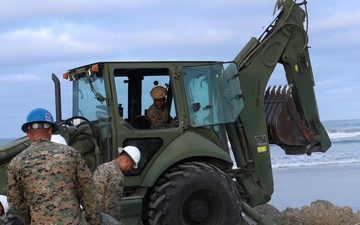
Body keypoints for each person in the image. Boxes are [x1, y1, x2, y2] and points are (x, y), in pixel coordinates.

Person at [6, 108, 102, 224]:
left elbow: (15, 203)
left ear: (28, 133)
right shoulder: (71, 154)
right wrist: (94, 221)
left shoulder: (16, 162)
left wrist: (32, 219)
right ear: (50, 130)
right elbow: (88, 191)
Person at [93, 146, 141, 221]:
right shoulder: (117, 175)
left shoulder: (102, 167)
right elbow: (112, 205)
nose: (130, 169)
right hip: (102, 219)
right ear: (127, 161)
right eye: (131, 166)